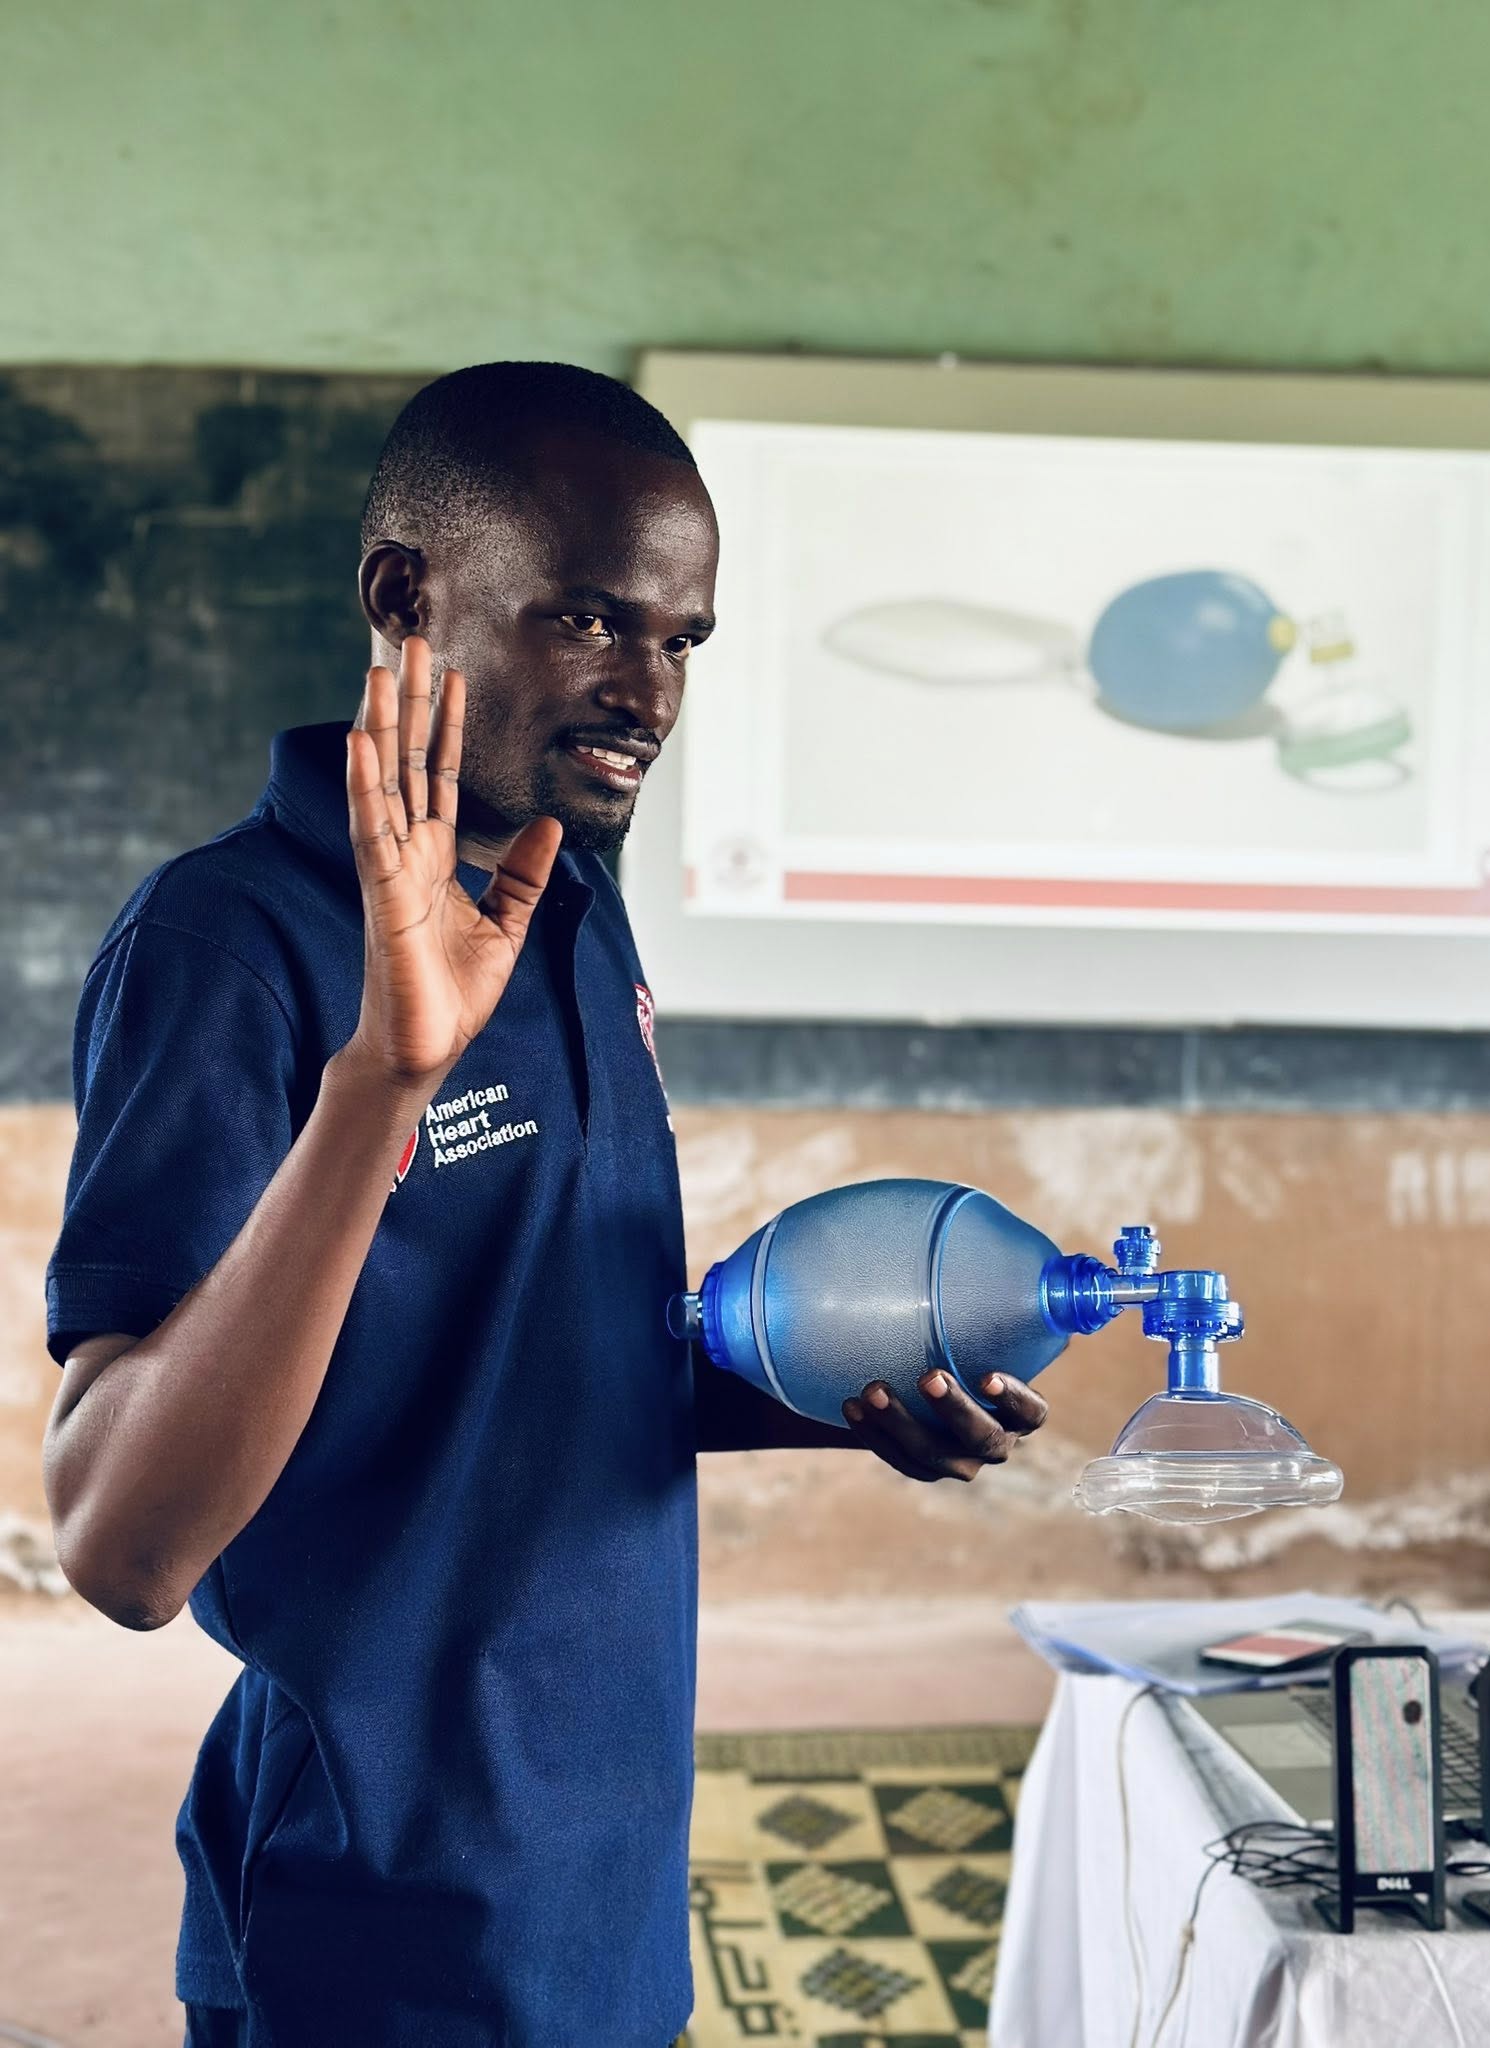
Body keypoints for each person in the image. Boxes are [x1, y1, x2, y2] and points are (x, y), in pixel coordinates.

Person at [40, 362, 1050, 2048]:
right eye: (589, 619)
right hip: (372, 1919)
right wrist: (385, 1079)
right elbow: (122, 1546)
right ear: (402, 595)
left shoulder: (570, 901)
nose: (647, 689)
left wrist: (832, 1386)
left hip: (600, 1894)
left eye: (682, 640)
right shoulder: (229, 946)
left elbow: (522, 1354)